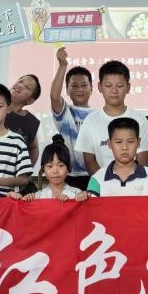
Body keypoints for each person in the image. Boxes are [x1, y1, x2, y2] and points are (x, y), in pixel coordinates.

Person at [75, 60, 148, 173]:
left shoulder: (139, 119)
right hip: (101, 183)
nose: (114, 91)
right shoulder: (90, 121)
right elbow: (89, 161)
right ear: (100, 87)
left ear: (128, 87)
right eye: (108, 85)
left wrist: (131, 181)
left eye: (120, 85)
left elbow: (143, 161)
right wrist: (103, 181)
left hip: (135, 182)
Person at [0, 43, 41, 165]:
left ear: (30, 100)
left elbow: (34, 148)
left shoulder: (31, 121)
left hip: (13, 174)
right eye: (20, 81)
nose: (20, 85)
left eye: (27, 87)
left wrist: (26, 171)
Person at [86, 117, 148, 198]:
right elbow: (91, 204)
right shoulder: (97, 179)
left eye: (130, 142)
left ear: (138, 143)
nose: (124, 147)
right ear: (109, 144)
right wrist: (83, 197)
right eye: (118, 142)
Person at [49, 46, 93, 190]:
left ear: (92, 88)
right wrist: (62, 65)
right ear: (67, 90)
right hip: (68, 175)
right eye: (74, 86)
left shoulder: (98, 115)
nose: (80, 89)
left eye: (84, 85)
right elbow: (54, 96)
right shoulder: (65, 111)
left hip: (94, 174)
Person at [13, 134, 90, 202]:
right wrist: (25, 199)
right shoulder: (37, 196)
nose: (55, 171)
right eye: (50, 166)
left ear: (69, 168)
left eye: (61, 165)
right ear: (43, 169)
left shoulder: (77, 194)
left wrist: (82, 197)